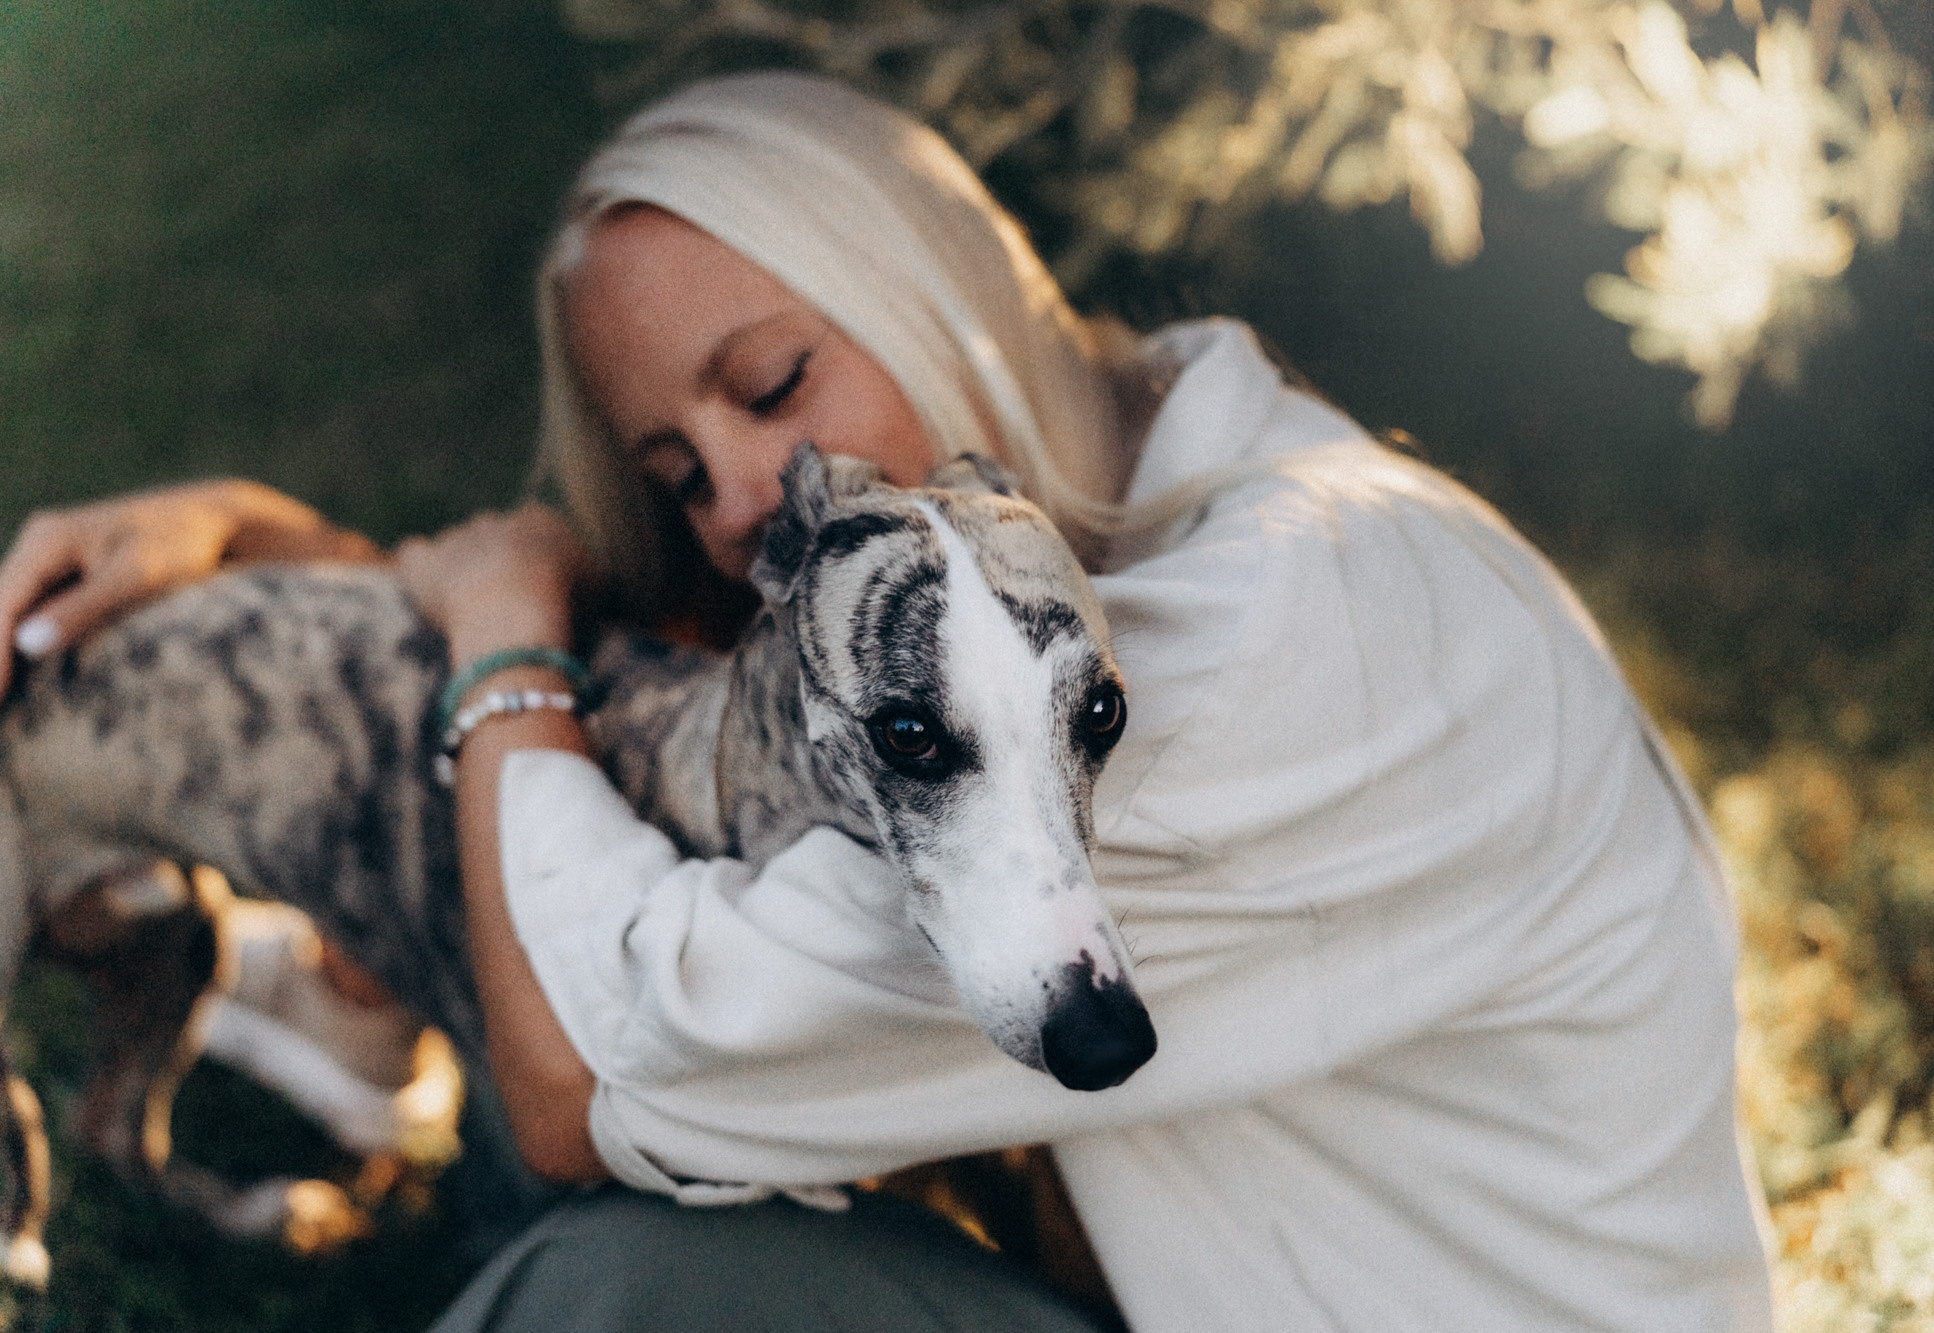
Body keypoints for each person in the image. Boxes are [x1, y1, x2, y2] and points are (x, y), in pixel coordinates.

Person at [0, 71, 1773, 1331]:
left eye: (777, 381)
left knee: (610, 1290)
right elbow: (667, 694)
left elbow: (583, 1073)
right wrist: (282, 544)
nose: (742, 498)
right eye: (676, 471)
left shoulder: (1201, 671)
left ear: (935, 288)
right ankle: (329, 1004)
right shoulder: (1149, 462)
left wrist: (494, 663)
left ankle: (326, 1013)